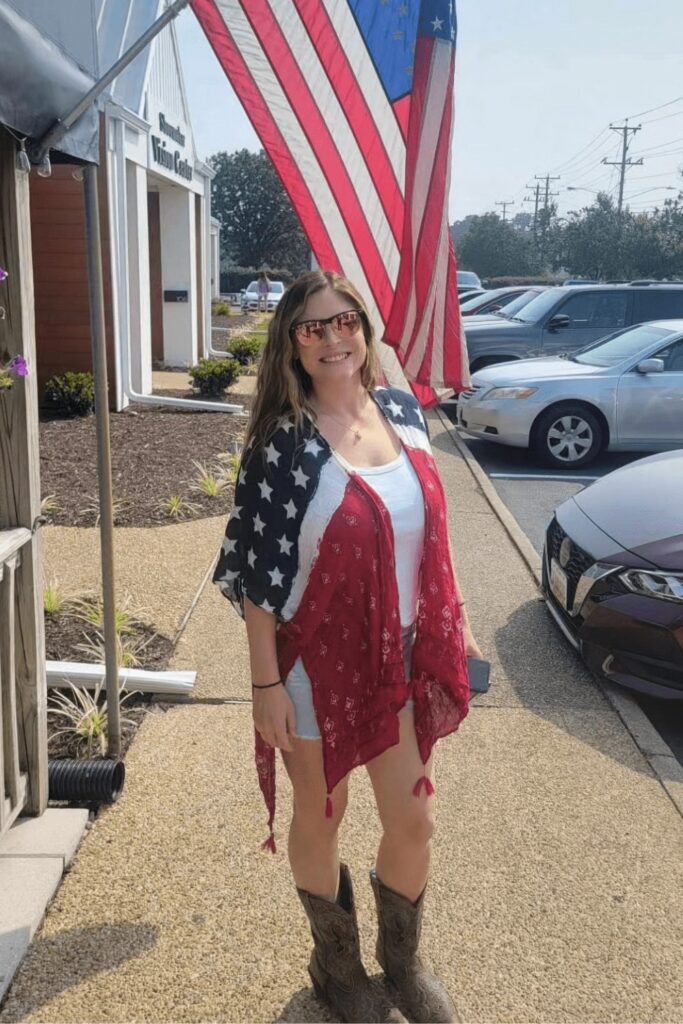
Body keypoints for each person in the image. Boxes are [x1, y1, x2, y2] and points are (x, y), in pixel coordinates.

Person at [213, 270, 483, 1024]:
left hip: (398, 655)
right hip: (310, 668)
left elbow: (431, 533)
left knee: (412, 820)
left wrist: (449, 625)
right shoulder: (282, 444)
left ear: (364, 332)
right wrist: (265, 687)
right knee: (320, 813)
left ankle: (403, 964)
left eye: (345, 323)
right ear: (291, 346)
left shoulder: (402, 413)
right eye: (313, 328)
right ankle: (338, 972)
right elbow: (256, 580)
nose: (333, 339)